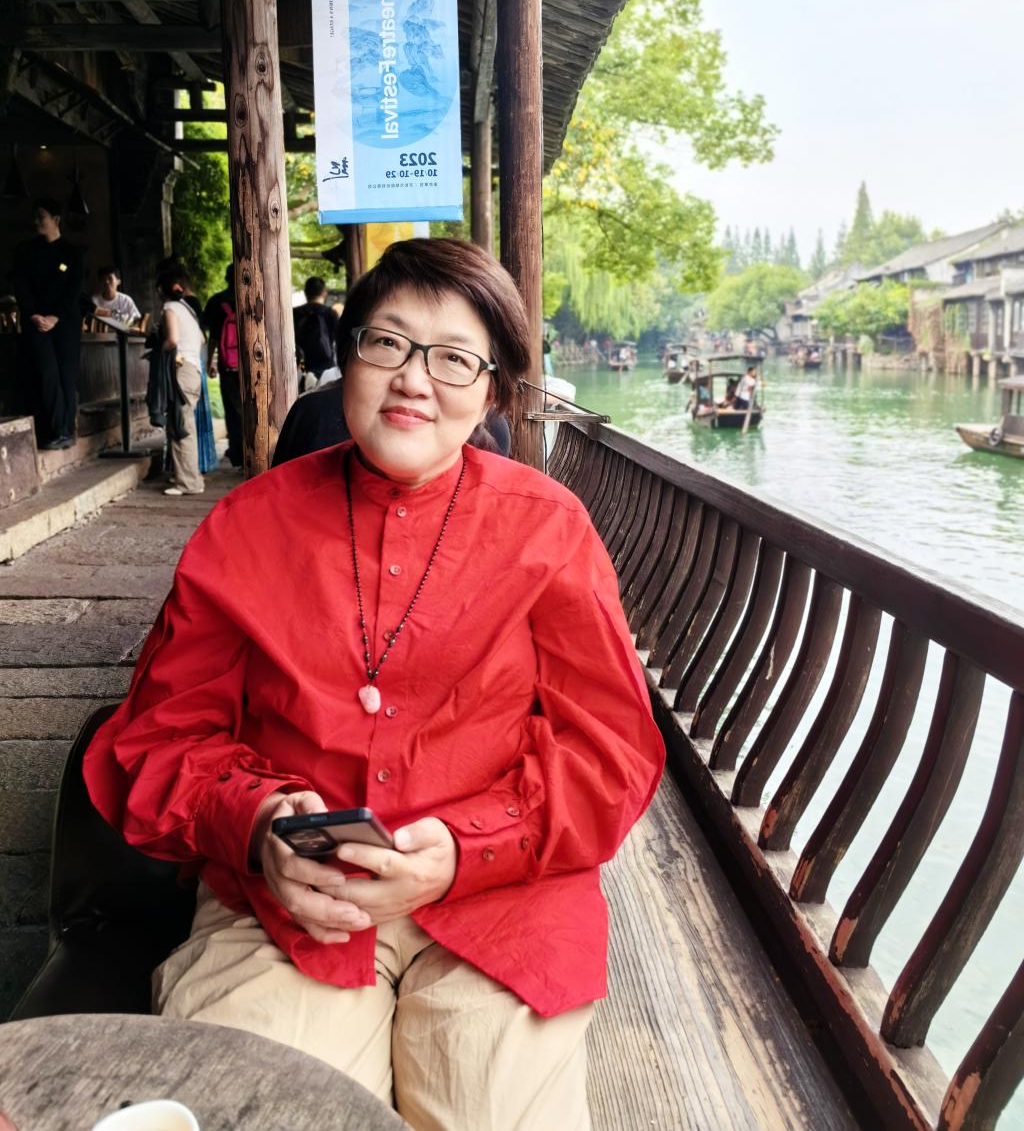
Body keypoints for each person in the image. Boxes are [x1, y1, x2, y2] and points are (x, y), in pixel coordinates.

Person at [84, 238, 664, 1129]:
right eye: (386, 342)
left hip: (500, 901)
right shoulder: (247, 525)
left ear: (492, 391)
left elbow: (610, 754)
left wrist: (469, 847)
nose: (413, 380)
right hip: (285, 904)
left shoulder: (548, 531)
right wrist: (259, 827)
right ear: (345, 356)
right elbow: (159, 741)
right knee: (265, 1112)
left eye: (454, 358)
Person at [13, 199, 83, 450]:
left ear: (56, 219)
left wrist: (56, 317)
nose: (37, 222)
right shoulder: (25, 250)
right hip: (36, 322)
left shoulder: (72, 252)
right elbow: (20, 284)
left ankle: (67, 430)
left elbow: (74, 290)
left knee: (66, 374)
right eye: (36, 217)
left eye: (41, 216)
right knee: (45, 374)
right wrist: (32, 314)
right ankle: (54, 429)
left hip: (64, 323)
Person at [158, 265, 205, 496]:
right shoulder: (188, 308)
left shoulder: (170, 307)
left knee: (181, 426)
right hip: (194, 369)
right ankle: (188, 476)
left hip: (181, 368)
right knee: (184, 424)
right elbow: (202, 339)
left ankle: (188, 483)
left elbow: (173, 339)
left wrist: (160, 349)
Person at [202, 265, 243, 469]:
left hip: (228, 365)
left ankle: (237, 453)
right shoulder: (252, 296)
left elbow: (213, 337)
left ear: (226, 278)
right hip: (252, 365)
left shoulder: (217, 301)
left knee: (232, 410)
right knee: (252, 407)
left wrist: (210, 361)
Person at [294, 276, 339, 388]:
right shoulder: (331, 313)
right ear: (324, 293)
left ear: (306, 293)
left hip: (302, 366)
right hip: (327, 366)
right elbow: (338, 339)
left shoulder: (295, 313)